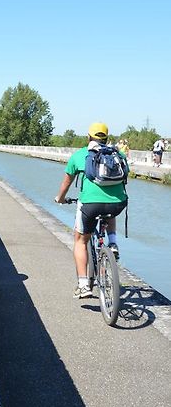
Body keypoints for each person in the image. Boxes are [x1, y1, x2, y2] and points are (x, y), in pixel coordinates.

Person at [55, 122, 128, 299]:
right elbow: (125, 177)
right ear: (107, 138)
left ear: (88, 137)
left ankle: (83, 285)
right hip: (118, 203)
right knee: (110, 211)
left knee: (80, 240)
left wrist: (60, 198)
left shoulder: (80, 155)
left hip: (90, 205)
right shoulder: (119, 154)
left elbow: (67, 183)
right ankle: (112, 242)